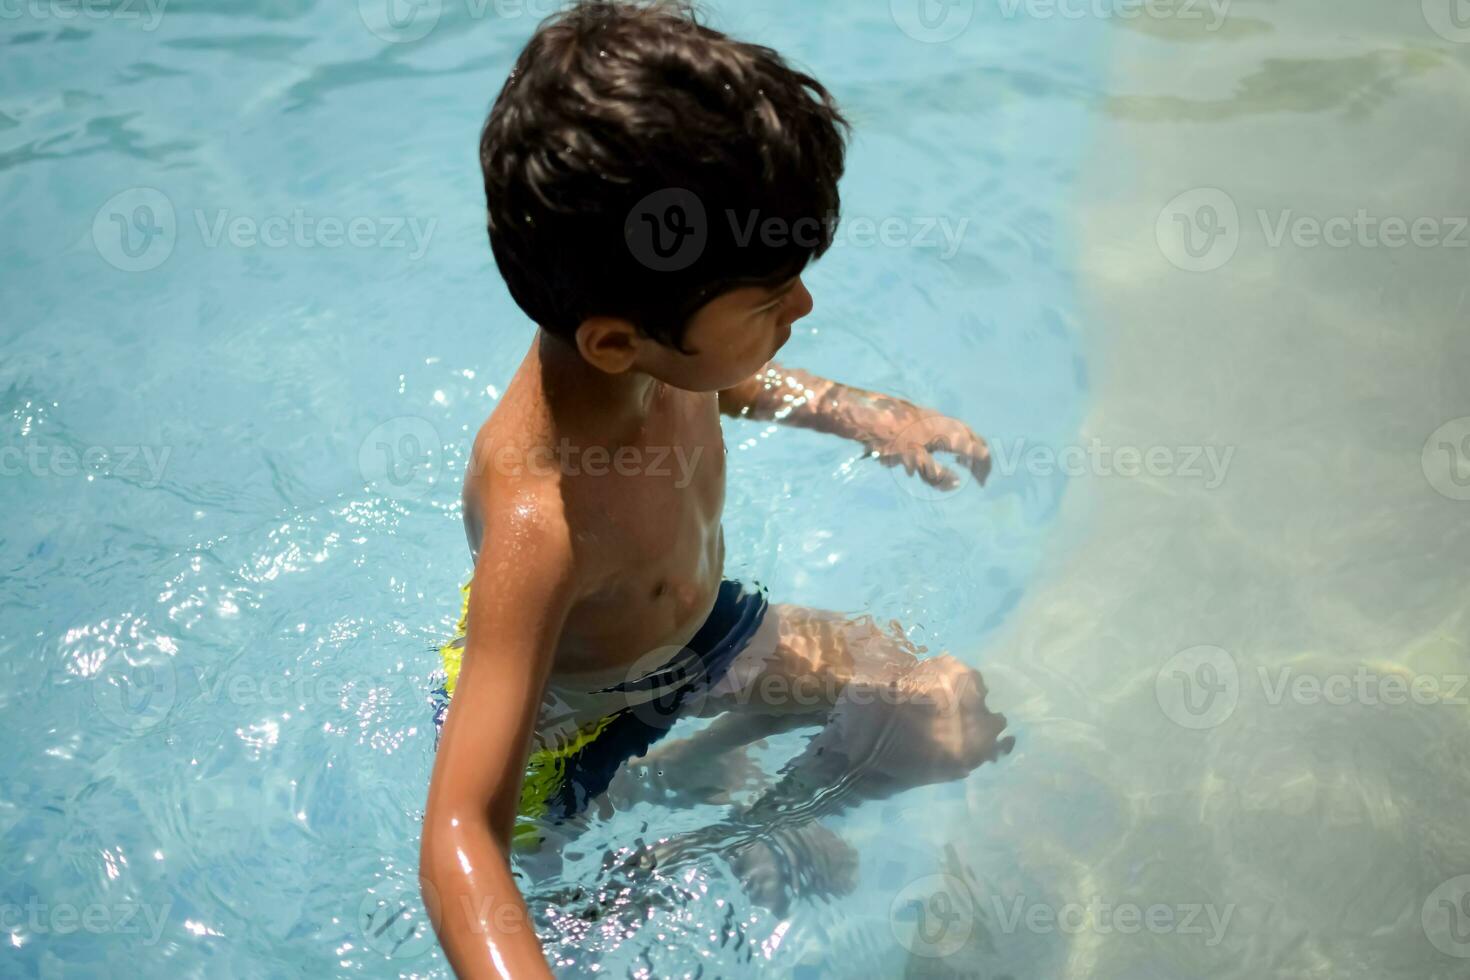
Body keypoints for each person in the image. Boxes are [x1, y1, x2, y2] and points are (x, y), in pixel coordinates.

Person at [418, 3, 1011, 975]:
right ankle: (670, 849)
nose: (806, 306)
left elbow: (719, 374)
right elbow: (456, 837)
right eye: (773, 298)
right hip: (566, 741)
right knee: (577, 918)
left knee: (937, 707)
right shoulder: (544, 523)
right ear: (619, 340)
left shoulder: (641, 355)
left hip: (695, 641)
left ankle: (734, 818)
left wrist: (856, 409)